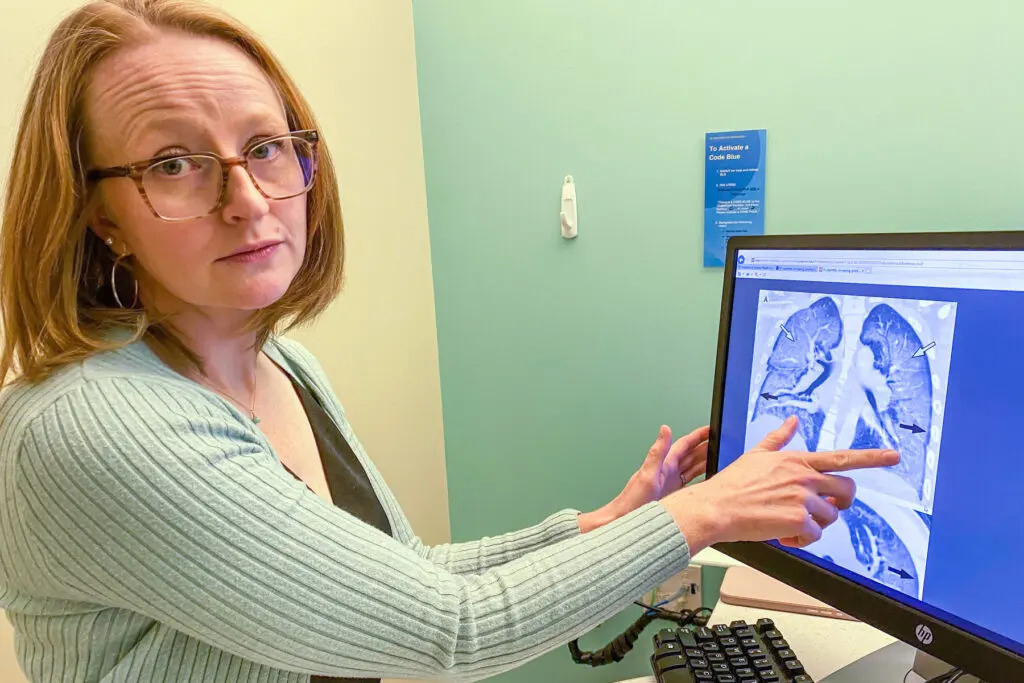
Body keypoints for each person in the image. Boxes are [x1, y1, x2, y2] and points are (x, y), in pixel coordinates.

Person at [0, 1, 899, 681]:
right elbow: (450, 629)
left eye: (265, 147)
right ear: (99, 214)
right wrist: (704, 513)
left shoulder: (280, 363)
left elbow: (408, 574)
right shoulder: (93, 425)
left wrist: (604, 525)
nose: (246, 198)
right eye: (173, 164)